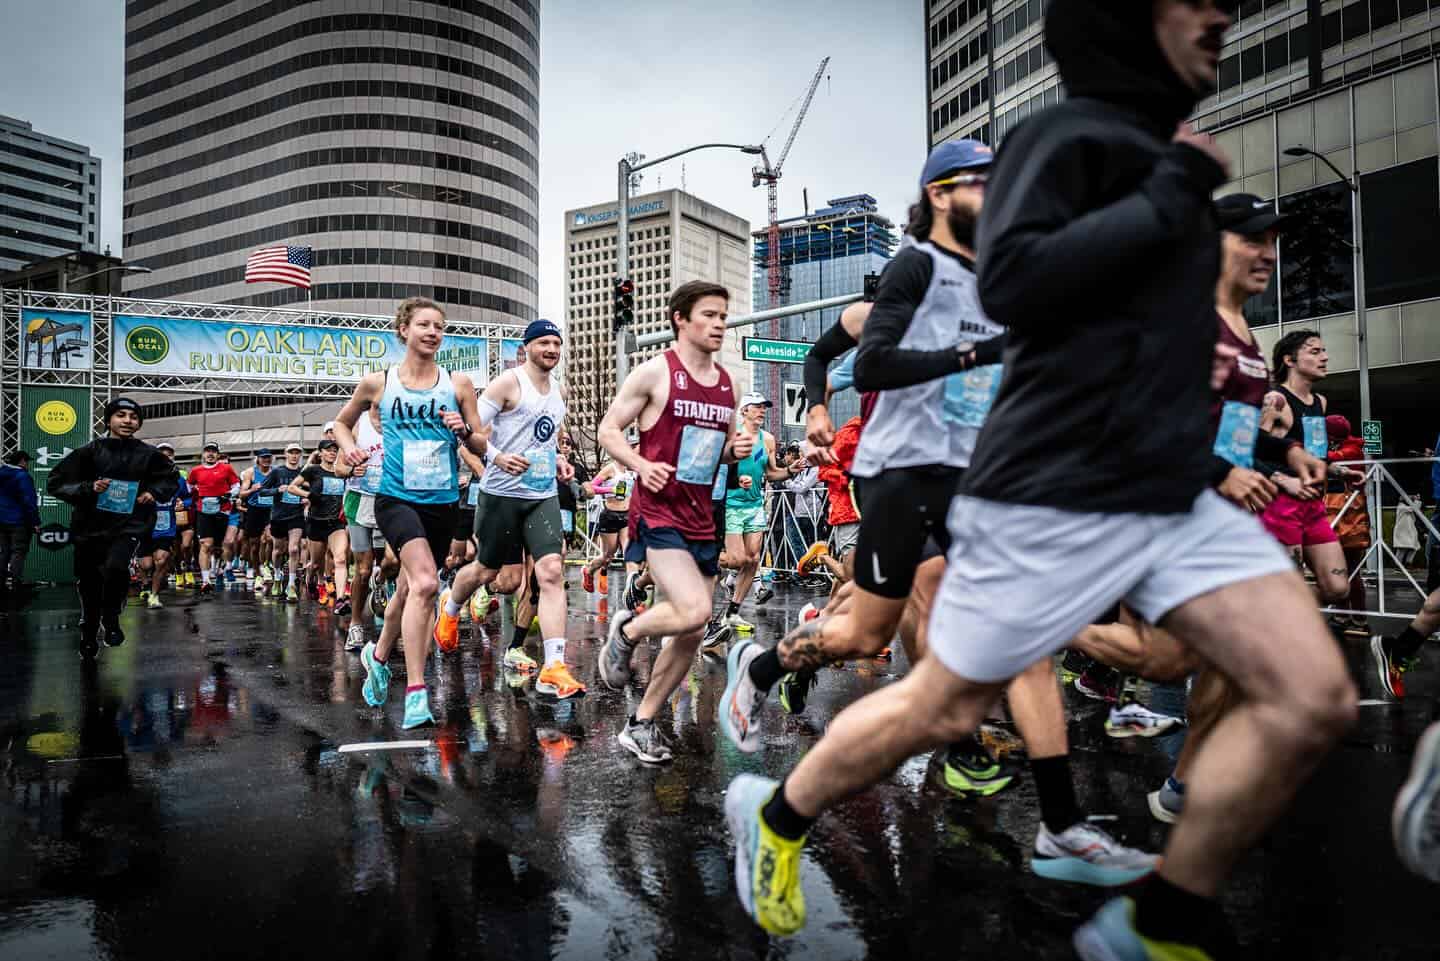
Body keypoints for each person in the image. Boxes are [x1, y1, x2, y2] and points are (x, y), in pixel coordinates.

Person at [727, 8, 1356, 961]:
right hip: (1010, 483)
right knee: (931, 690)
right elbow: (984, 307)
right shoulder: (1066, 146)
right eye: (1191, 1)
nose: (1223, 14)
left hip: (1143, 481)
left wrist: (1248, 450)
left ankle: (1154, 914)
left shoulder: (1160, 157)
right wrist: (826, 398)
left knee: (1311, 692)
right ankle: (777, 812)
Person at [595, 280, 750, 763]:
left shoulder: (730, 385)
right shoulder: (655, 373)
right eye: (709, 315)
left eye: (724, 315)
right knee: (695, 610)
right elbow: (608, 430)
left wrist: (733, 452)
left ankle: (641, 723)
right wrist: (640, 466)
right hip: (658, 510)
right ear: (680, 318)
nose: (720, 323)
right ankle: (627, 631)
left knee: (691, 631)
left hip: (701, 514)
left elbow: (714, 454)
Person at [335, 296, 491, 729]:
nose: (432, 332)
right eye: (423, 324)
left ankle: (378, 655)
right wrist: (351, 452)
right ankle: (418, 692)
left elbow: (480, 442)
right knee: (425, 584)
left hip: (441, 502)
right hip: (395, 498)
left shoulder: (458, 384)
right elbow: (341, 424)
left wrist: (465, 432)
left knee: (409, 590)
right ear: (403, 330)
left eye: (439, 326)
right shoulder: (379, 383)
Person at [432, 319, 580, 698]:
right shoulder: (507, 384)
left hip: (541, 495)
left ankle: (554, 666)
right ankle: (451, 605)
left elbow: (547, 442)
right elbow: (471, 434)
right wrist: (497, 458)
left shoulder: (559, 391)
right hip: (500, 494)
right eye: (544, 343)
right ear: (526, 347)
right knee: (486, 570)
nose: (551, 350)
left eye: (556, 344)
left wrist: (560, 463)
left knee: (549, 571)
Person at [46, 398, 178, 656]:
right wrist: (88, 488)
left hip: (127, 526)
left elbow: (169, 478)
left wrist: (153, 492)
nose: (127, 421)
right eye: (121, 415)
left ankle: (112, 618)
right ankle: (89, 627)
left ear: (139, 423)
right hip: (89, 527)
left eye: (133, 416)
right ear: (108, 420)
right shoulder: (90, 451)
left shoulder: (148, 453)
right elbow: (56, 482)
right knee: (90, 580)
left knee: (116, 568)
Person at [1258, 330, 1350, 609]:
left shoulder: (1319, 402)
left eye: (1324, 351)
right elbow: (1247, 451)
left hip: (1312, 505)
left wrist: (1337, 470)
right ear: (1289, 360)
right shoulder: (1275, 401)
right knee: (1289, 591)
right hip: (1279, 505)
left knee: (1337, 588)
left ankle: (1267, 610)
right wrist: (1282, 480)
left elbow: (1314, 452)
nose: (1324, 357)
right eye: (1314, 351)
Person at [716, 394, 795, 633]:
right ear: (744, 411)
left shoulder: (768, 439)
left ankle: (732, 613)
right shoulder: (733, 436)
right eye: (757, 408)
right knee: (737, 559)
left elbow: (771, 473)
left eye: (764, 407)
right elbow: (719, 467)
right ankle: (699, 554)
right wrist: (737, 480)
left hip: (755, 506)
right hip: (731, 504)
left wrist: (791, 470)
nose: (762, 411)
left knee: (752, 559)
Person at [343, 399, 388, 651]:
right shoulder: (358, 427)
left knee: (391, 563)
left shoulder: (399, 425)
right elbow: (339, 466)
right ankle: (356, 624)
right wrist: (351, 470)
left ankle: (379, 582)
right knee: (362, 569)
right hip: (360, 501)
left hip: (389, 501)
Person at [289, 439, 352, 611]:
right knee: (316, 564)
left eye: (334, 450)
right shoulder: (313, 471)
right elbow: (292, 487)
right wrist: (308, 495)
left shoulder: (341, 472)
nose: (332, 453)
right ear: (320, 453)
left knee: (340, 559)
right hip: (316, 522)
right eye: (328, 450)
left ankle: (340, 599)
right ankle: (311, 580)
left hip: (336, 523)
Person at [137, 446, 188, 610]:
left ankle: (154, 595)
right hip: (146, 526)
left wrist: (182, 503)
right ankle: (145, 583)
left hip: (166, 527)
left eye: (169, 455)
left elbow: (188, 499)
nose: (165, 458)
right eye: (162, 455)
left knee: (161, 560)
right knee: (146, 564)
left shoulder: (178, 479)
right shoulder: (144, 477)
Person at [257, 443, 308, 601]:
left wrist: (306, 498)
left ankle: (291, 585)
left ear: (300, 455)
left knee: (293, 549)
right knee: (278, 551)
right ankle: (278, 577)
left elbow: (312, 489)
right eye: (291, 453)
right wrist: (277, 490)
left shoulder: (303, 473)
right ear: (286, 454)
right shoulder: (277, 472)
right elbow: (262, 491)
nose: (294, 456)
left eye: (297, 453)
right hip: (279, 516)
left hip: (296, 516)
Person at [187, 442, 240, 594]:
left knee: (220, 547)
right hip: (203, 511)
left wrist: (229, 494)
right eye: (207, 451)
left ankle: (219, 567)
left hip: (222, 511)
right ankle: (205, 580)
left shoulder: (226, 468)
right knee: (205, 544)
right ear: (203, 454)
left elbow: (236, 485)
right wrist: (193, 496)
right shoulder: (196, 471)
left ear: (218, 454)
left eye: (213, 451)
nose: (210, 454)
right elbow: (188, 488)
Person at [580, 457, 635, 594]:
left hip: (627, 516)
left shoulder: (632, 471)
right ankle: (589, 570)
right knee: (607, 557)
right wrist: (611, 489)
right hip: (610, 516)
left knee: (630, 554)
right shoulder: (610, 468)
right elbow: (591, 488)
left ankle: (633, 594)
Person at [0, 450, 40, 595]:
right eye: (27, 461)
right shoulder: (22, 476)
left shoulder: (1, 472)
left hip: (1, 519)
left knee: (4, 552)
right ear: (22, 461)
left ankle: (2, 583)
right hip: (18, 521)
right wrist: (35, 522)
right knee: (18, 551)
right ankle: (15, 583)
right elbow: (29, 501)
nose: (27, 464)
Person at [237, 448, 276, 591]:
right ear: (258, 459)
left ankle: (266, 565)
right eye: (263, 457)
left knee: (269, 538)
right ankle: (257, 573)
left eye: (268, 457)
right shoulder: (250, 473)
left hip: (271, 510)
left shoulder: (275, 472)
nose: (266, 459)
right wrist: (253, 489)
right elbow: (242, 494)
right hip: (254, 511)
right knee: (254, 545)